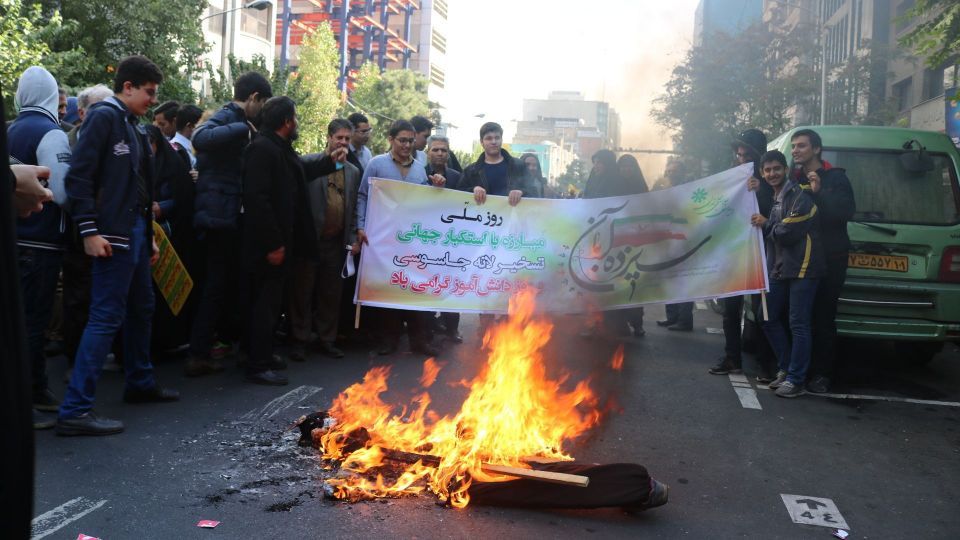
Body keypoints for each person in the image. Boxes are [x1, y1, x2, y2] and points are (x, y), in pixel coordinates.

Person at [59, 55, 180, 436]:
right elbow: (78, 178)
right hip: (112, 237)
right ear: (127, 87)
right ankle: (75, 410)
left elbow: (138, 189)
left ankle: (140, 382)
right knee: (106, 317)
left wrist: (147, 237)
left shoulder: (130, 124)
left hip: (133, 236)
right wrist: (89, 231)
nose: (152, 100)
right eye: (148, 92)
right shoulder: (104, 118)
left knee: (141, 308)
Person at [187, 72, 272, 376]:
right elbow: (200, 137)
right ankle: (199, 353)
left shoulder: (241, 121)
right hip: (218, 215)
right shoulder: (228, 116)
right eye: (263, 104)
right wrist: (242, 130)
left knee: (225, 285)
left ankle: (215, 346)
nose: (262, 111)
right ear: (254, 98)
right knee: (214, 286)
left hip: (227, 213)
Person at [8, 66, 73, 426]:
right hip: (42, 242)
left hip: (13, 240)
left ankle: (27, 391)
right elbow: (61, 193)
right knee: (34, 321)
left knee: (16, 320)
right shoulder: (52, 133)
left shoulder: (9, 129)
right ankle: (32, 395)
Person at [241, 96, 316, 386]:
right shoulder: (262, 149)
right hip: (266, 246)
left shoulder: (278, 148)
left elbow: (297, 176)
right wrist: (274, 243)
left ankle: (261, 353)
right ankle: (257, 364)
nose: (296, 122)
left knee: (271, 303)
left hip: (280, 242)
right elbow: (257, 200)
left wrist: (329, 162)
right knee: (263, 304)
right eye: (294, 117)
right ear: (287, 121)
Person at [356, 119, 439, 357]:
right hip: (383, 241)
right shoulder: (376, 164)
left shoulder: (419, 170)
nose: (406, 145)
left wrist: (436, 188)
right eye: (402, 140)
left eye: (411, 141)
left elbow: (426, 202)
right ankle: (388, 340)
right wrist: (360, 227)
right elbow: (362, 196)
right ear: (391, 140)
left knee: (415, 289)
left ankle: (419, 341)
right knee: (388, 290)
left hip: (413, 241)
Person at [751, 150, 824, 398]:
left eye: (776, 169)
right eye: (767, 170)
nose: (772, 174)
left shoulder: (799, 196)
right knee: (767, 316)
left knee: (798, 324)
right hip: (781, 268)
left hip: (804, 268)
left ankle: (796, 379)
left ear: (785, 169)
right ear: (762, 173)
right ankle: (785, 368)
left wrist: (765, 223)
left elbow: (786, 233)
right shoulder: (776, 198)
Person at [289, 118, 360, 361]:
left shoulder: (353, 172)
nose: (343, 142)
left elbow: (353, 210)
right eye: (339, 137)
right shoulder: (308, 163)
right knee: (303, 292)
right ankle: (299, 340)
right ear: (328, 138)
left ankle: (326, 339)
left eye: (347, 139)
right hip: (310, 241)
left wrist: (352, 239)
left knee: (331, 293)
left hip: (336, 241)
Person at [790, 129, 855, 394]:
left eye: (801, 146)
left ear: (816, 149)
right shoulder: (793, 179)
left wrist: (819, 193)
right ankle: (795, 371)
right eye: (794, 146)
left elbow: (845, 212)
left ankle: (822, 375)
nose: (796, 150)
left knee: (823, 317)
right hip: (801, 259)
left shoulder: (836, 178)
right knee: (798, 317)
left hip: (830, 259)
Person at [710, 129, 777, 381]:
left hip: (761, 255)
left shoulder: (770, 177)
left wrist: (761, 190)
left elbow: (778, 209)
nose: (741, 157)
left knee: (761, 313)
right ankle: (732, 358)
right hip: (734, 252)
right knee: (731, 311)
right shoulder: (732, 177)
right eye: (738, 153)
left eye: (746, 153)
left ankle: (765, 365)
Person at [424, 135, 464, 343]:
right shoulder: (419, 175)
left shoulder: (458, 177)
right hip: (427, 240)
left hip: (453, 241)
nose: (440, 154)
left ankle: (452, 329)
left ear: (449, 154)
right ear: (428, 152)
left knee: (452, 284)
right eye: (435, 150)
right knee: (428, 284)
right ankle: (428, 327)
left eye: (444, 150)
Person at [654, 157, 695, 331]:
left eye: (674, 171)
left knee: (683, 282)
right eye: (669, 171)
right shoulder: (665, 190)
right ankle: (672, 317)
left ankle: (685, 320)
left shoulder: (690, 190)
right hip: (668, 241)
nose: (671, 174)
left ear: (682, 173)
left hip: (684, 241)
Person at [171, 104, 202, 168]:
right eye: (201, 126)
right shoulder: (175, 150)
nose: (204, 130)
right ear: (190, 126)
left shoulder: (191, 146)